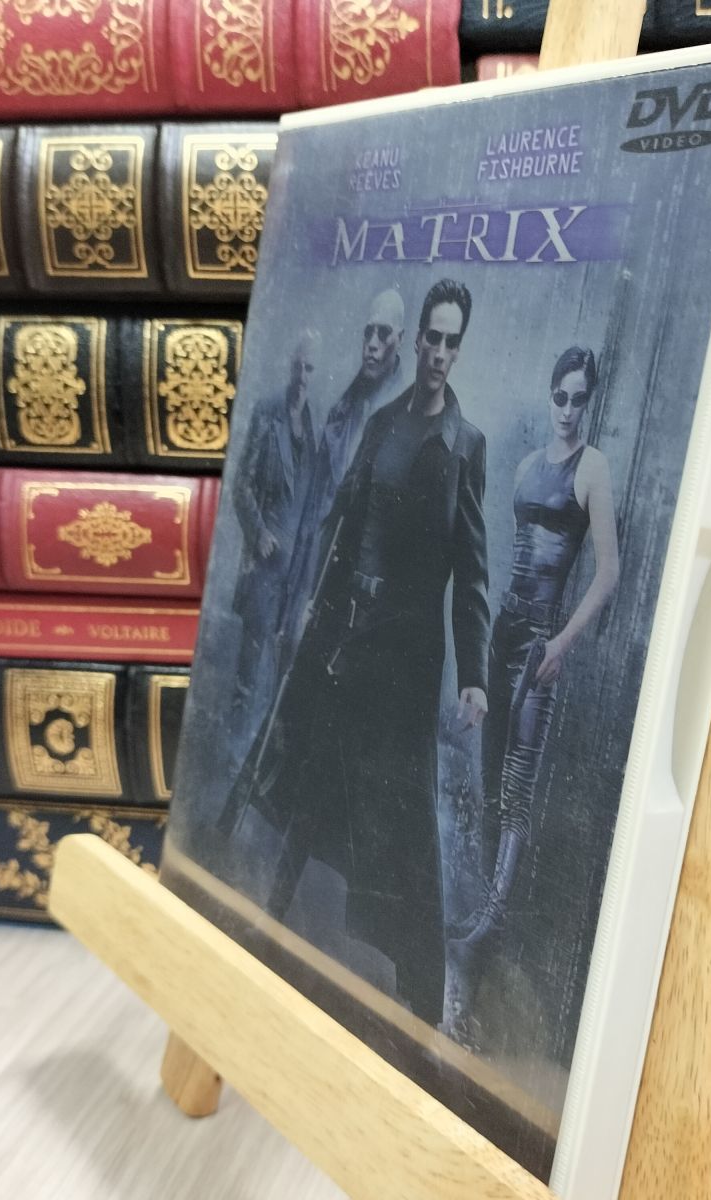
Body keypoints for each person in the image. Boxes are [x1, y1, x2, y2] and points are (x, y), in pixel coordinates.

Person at [240, 280, 490, 1026]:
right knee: (314, 780)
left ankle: (418, 996)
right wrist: (311, 605)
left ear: (458, 349)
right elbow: (342, 529)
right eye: (431, 337)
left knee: (401, 818)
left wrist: (474, 677)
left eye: (451, 342)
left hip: (406, 662)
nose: (439, 352)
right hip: (347, 635)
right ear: (416, 341)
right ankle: (265, 922)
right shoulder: (382, 425)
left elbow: (472, 572)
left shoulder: (466, 447)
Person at [447, 345, 619, 1028]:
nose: (568, 410)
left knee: (518, 782)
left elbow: (608, 572)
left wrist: (560, 643)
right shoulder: (523, 468)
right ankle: (483, 911)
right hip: (504, 629)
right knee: (489, 775)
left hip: (543, 638)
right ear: (550, 396)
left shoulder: (592, 468)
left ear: (589, 402)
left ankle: (491, 923)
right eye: (560, 396)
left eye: (579, 399)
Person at [276, 289, 405, 665]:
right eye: (368, 333)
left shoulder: (407, 418)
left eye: (383, 334)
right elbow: (312, 514)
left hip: (360, 592)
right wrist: (295, 591)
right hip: (316, 573)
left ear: (400, 339)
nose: (373, 344)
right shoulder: (342, 411)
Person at [228, 329, 319, 759]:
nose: (302, 376)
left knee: (282, 669)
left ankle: (260, 761)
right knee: (250, 667)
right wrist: (259, 532)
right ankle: (233, 753)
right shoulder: (268, 413)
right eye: (297, 366)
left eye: (310, 369)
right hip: (264, 564)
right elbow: (240, 484)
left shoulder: (314, 427)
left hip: (293, 571)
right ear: (289, 367)